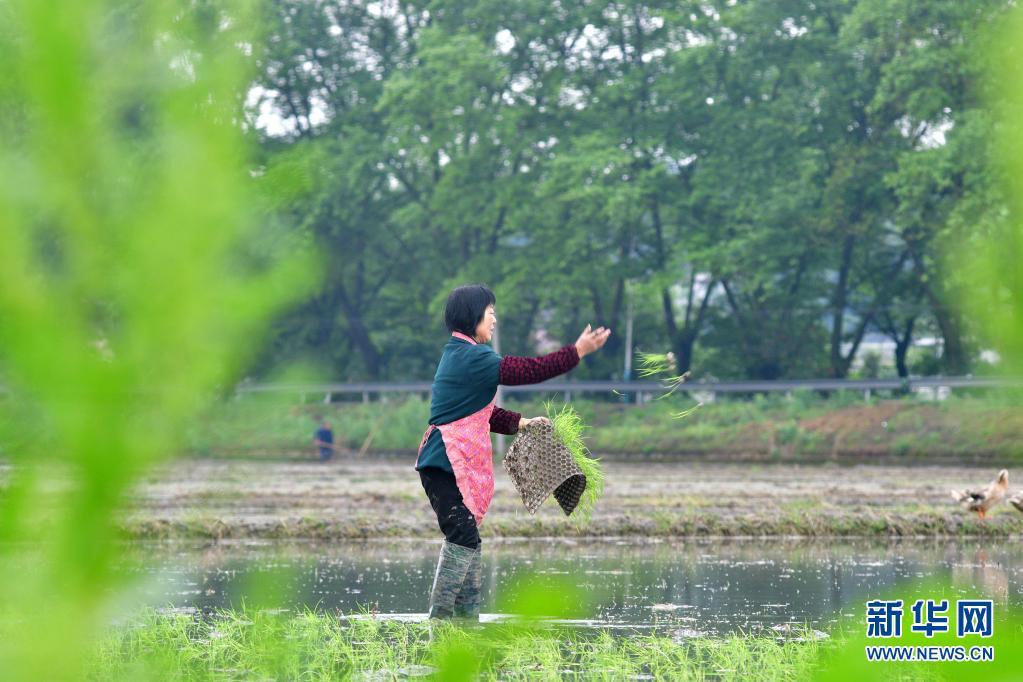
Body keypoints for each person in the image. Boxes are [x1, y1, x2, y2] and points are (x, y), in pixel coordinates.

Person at [416, 284, 611, 620]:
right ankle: (441, 618)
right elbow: (529, 371)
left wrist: (520, 423)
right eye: (490, 312)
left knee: (468, 538)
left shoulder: (460, 355)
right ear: (472, 315)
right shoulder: (473, 356)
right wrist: (576, 351)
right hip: (445, 461)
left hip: (444, 462)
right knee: (463, 535)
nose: (494, 319)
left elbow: (478, 412)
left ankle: (466, 620)